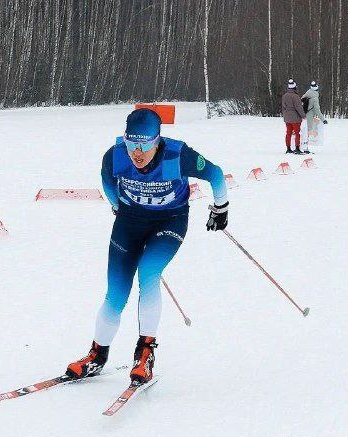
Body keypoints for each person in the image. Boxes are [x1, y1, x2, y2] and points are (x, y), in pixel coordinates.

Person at [64, 108, 229, 385]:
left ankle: (145, 354)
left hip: (170, 221)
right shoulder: (115, 155)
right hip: (130, 222)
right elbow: (107, 181)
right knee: (116, 292)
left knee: (149, 271)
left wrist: (221, 208)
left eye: (144, 145)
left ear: (157, 140)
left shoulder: (178, 156)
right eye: (131, 144)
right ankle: (97, 355)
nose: (137, 153)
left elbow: (216, 174)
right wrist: (118, 205)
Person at [282, 78, 306, 154]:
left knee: (288, 133)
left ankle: (288, 148)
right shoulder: (296, 96)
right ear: (295, 87)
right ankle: (297, 148)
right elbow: (299, 107)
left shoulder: (284, 96)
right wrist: (303, 115)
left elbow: (283, 107)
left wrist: (285, 115)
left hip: (287, 118)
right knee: (297, 133)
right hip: (295, 118)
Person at [302, 81, 328, 145]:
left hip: (305, 114)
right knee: (309, 129)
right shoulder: (315, 98)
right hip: (310, 115)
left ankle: (304, 142)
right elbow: (317, 110)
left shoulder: (307, 94)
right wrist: (323, 119)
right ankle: (306, 144)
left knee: (305, 129)